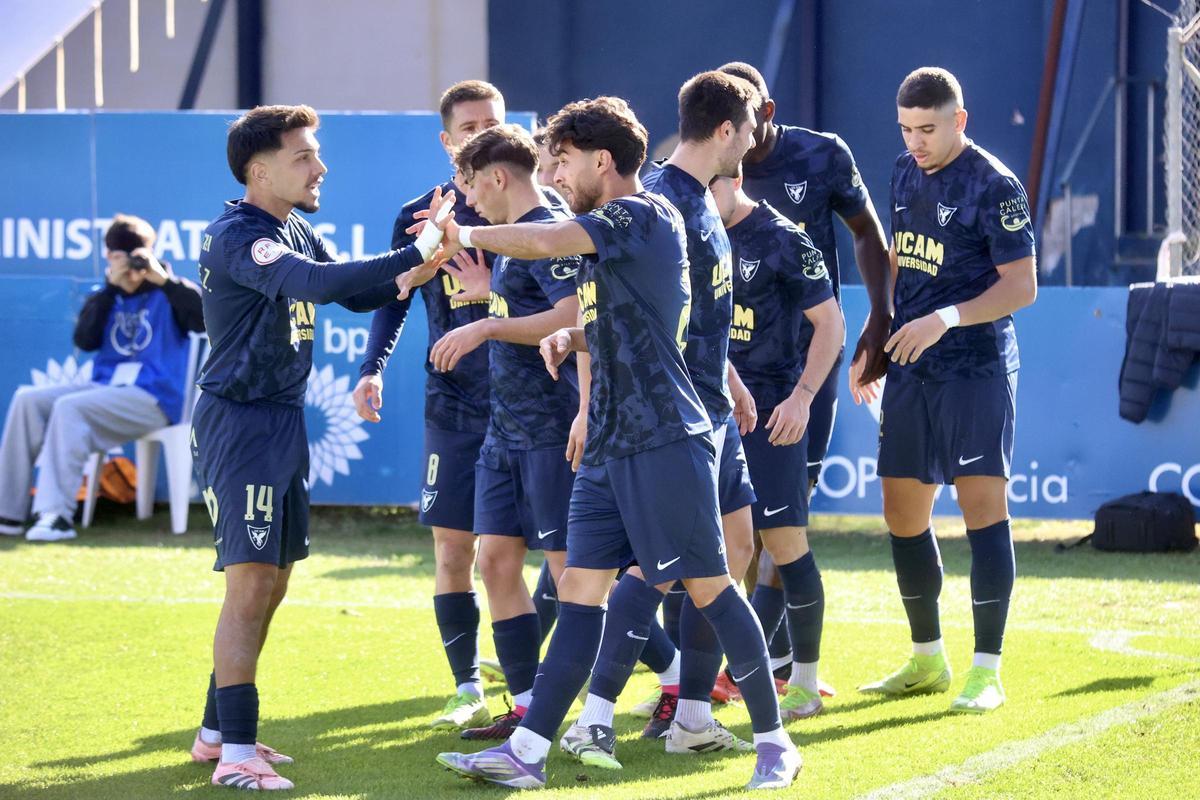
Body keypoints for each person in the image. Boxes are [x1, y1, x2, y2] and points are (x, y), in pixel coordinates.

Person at [433, 95, 800, 791]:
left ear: (603, 160)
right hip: (608, 442)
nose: (554, 175)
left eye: (564, 162)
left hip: (664, 439)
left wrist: (464, 237)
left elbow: (542, 242)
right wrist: (574, 334)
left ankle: (775, 743)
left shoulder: (639, 213)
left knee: (715, 590)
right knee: (579, 594)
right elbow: (618, 312)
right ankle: (529, 754)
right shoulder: (610, 228)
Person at [189, 103, 456, 791]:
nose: (320, 166)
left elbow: (354, 294)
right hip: (240, 424)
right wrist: (416, 251)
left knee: (272, 581)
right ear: (259, 168)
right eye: (304, 155)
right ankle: (237, 757)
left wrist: (416, 273)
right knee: (249, 584)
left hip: (279, 420)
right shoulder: (237, 235)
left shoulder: (294, 226)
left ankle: (217, 731)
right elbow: (314, 284)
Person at [565, 71, 764, 754]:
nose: (760, 137)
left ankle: (691, 718)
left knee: (728, 556)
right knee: (658, 570)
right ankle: (600, 711)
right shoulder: (654, 199)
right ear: (728, 130)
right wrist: (586, 386)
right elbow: (614, 305)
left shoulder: (705, 201)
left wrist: (730, 376)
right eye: (754, 124)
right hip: (668, 419)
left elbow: (686, 314)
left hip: (707, 405)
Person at [352, 82, 551, 729]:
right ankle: (468, 685)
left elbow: (567, 303)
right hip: (455, 405)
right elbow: (394, 295)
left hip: (532, 405)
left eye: (491, 122)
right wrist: (371, 369)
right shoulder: (422, 213)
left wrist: (490, 296)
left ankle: (567, 682)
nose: (478, 133)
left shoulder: (532, 211)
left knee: (565, 556)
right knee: (454, 550)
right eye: (467, 126)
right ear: (446, 140)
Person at [855, 67, 1036, 714]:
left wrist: (946, 319)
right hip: (912, 362)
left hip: (974, 365)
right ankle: (927, 657)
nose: (916, 142)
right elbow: (902, 259)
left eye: (927, 129)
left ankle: (988, 670)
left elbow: (1021, 286)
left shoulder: (996, 184)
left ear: (960, 120)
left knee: (983, 511)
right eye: (905, 129)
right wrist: (877, 339)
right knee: (903, 512)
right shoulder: (904, 171)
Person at [716, 61, 893, 686]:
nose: (741, 130)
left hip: (801, 369)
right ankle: (762, 663)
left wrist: (878, 318)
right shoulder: (703, 163)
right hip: (723, 373)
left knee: (783, 518)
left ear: (768, 109)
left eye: (751, 114)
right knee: (732, 521)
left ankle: (765, 664)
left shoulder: (821, 155)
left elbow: (868, 232)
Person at [422, 124, 581, 739]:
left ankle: (668, 678)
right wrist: (491, 298)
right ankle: (524, 704)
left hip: (549, 428)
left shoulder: (550, 229)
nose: (468, 200)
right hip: (503, 430)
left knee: (575, 580)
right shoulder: (511, 243)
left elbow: (572, 315)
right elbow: (529, 307)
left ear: (496, 176)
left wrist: (487, 326)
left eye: (470, 185)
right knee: (494, 561)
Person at [711, 173, 844, 719]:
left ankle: (805, 684)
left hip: (773, 415)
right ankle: (697, 684)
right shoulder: (692, 232)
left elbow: (831, 324)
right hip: (711, 410)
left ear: (735, 178)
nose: (698, 200)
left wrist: (802, 398)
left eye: (707, 190)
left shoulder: (785, 238)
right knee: (717, 550)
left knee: (785, 545)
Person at [0, 214, 204, 542]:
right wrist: (111, 287)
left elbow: (204, 319)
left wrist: (162, 278)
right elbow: (85, 340)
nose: (133, 268)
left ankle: (55, 515)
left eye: (138, 257)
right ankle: (7, 512)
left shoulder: (170, 291)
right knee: (28, 399)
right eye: (123, 258)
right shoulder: (105, 295)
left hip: (154, 398)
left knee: (69, 407)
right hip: (104, 390)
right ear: (110, 257)